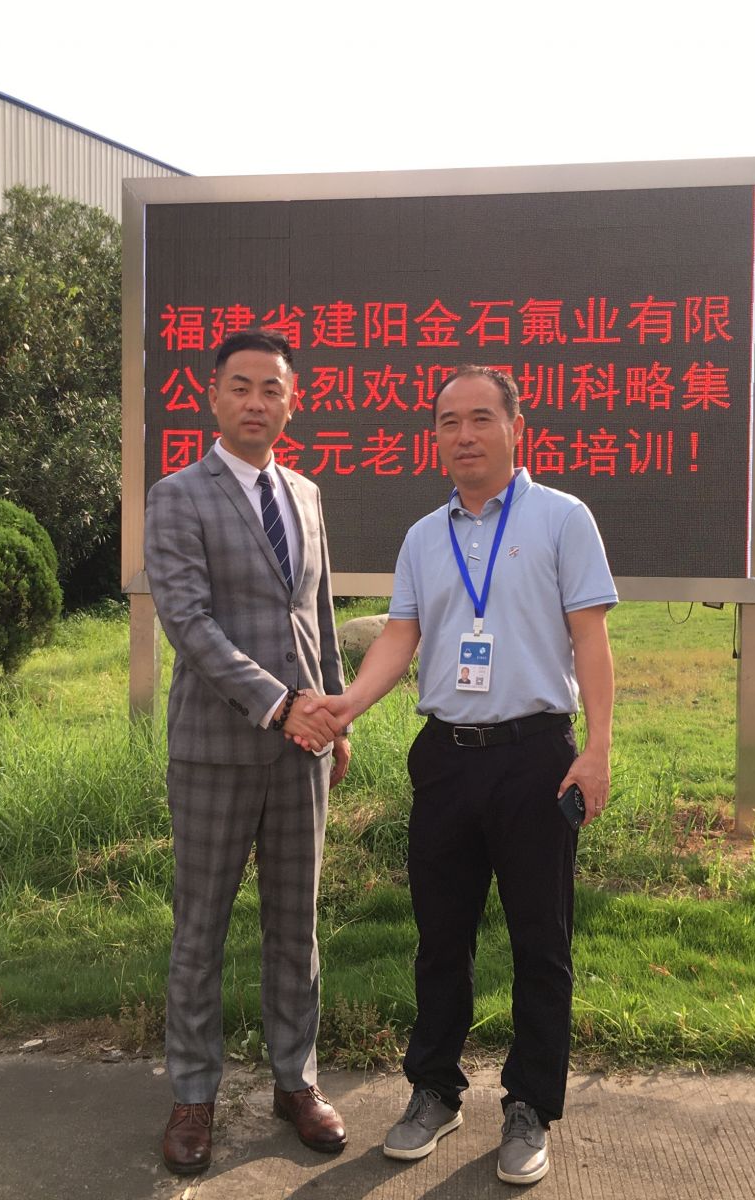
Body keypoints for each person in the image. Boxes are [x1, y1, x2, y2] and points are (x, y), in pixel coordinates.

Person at [295, 365, 616, 1186]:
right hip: (444, 758)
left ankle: (530, 1106)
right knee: (441, 938)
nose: (464, 435)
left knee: (541, 941)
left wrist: (597, 748)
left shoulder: (562, 519)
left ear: (516, 428)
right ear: (434, 437)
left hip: (536, 757)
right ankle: (434, 1090)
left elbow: (590, 638)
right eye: (448, 422)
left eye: (480, 418)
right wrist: (347, 704)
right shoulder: (423, 536)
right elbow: (400, 636)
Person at [143, 328, 350, 1175]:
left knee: (296, 924)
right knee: (202, 928)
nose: (257, 402)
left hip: (303, 751)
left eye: (272, 389)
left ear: (290, 403)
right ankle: (194, 1095)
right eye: (242, 386)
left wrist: (335, 714)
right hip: (215, 750)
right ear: (213, 397)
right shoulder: (177, 496)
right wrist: (281, 704)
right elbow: (189, 623)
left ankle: (295, 1082)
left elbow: (319, 614)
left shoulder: (305, 493)